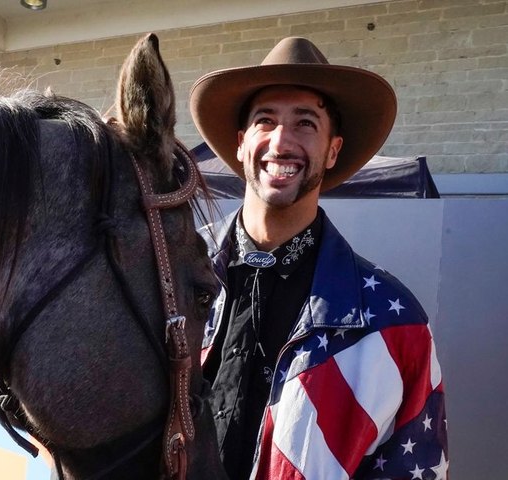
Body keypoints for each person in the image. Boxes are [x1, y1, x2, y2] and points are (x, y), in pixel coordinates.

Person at [189, 37, 448, 479]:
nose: (281, 140)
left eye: (305, 123)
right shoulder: (170, 275)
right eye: (264, 120)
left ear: (332, 150)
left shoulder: (393, 324)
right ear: (239, 142)